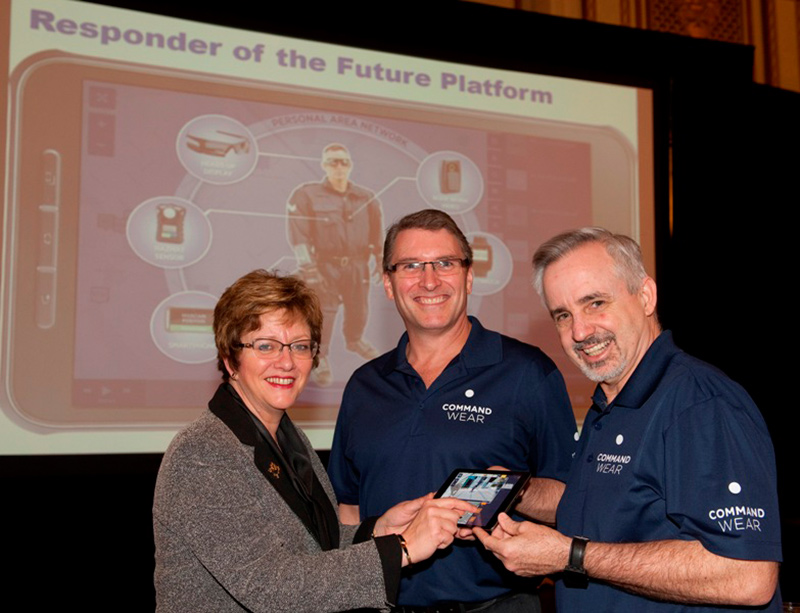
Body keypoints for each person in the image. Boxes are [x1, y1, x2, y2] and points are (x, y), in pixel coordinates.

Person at [475, 228, 782, 611]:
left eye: (595, 303)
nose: (580, 332)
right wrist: (514, 492)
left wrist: (571, 556)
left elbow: (747, 575)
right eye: (563, 315)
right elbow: (611, 514)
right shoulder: (607, 405)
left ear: (646, 296)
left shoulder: (701, 404)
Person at [153, 269, 478, 612]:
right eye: (265, 345)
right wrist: (402, 548)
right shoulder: (204, 452)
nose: (287, 362)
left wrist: (380, 530)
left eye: (300, 346)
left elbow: (314, 547)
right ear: (230, 358)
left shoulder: (289, 439)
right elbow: (268, 586)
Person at [328, 210, 577, 611]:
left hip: (497, 605)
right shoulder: (363, 385)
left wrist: (513, 490)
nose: (429, 281)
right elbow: (349, 508)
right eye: (411, 266)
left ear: (468, 276)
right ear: (389, 284)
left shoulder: (527, 373)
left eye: (445, 263)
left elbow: (573, 499)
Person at [287, 143, 384, 386]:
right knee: (325, 313)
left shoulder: (366, 197)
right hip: (325, 265)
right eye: (332, 161)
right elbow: (298, 235)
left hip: (357, 265)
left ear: (350, 165)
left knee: (358, 307)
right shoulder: (307, 195)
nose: (338, 166)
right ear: (324, 165)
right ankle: (320, 355)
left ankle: (354, 340)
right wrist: (309, 269)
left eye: (343, 161)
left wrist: (382, 260)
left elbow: (377, 233)